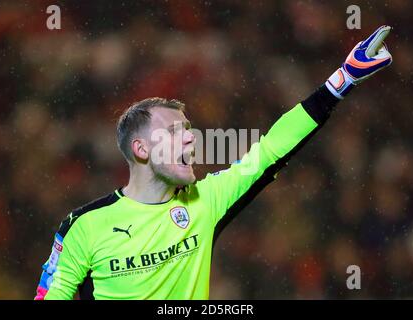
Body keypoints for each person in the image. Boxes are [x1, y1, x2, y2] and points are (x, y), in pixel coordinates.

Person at [35, 26, 393, 300]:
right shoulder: (84, 226)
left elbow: (271, 149)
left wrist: (342, 79)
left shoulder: (205, 201)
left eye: (189, 130)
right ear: (141, 149)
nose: (191, 138)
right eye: (176, 131)